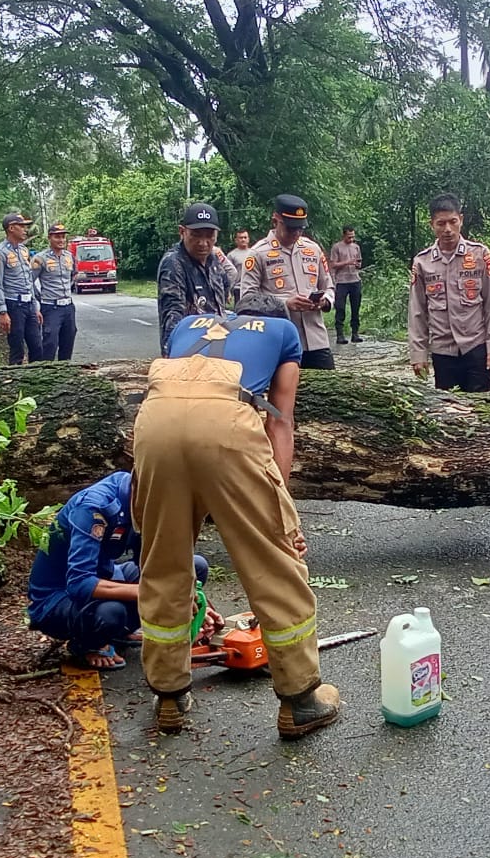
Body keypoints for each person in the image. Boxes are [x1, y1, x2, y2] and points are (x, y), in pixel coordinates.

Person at [132, 292, 340, 738]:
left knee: (165, 559)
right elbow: (279, 419)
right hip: (226, 424)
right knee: (273, 563)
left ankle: (168, 694)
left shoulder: (188, 324)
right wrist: (281, 507)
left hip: (154, 423)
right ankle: (300, 700)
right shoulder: (285, 332)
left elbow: (186, 397)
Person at [28, 470, 211, 672]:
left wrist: (199, 603)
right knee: (111, 613)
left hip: (108, 575)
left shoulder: (145, 504)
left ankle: (119, 632)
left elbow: (151, 565)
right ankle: (85, 645)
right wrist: (153, 592)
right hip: (57, 599)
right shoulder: (92, 508)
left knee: (192, 568)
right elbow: (79, 583)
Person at [407, 193, 490, 392]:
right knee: (448, 411)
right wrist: (419, 354)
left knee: (482, 411)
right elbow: (417, 311)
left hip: (477, 349)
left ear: (461, 219)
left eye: (453, 222)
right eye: (441, 224)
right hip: (443, 352)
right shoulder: (422, 262)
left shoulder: (480, 255)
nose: (448, 230)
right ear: (431, 225)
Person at [238, 194, 335, 370]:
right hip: (279, 343)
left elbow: (328, 286)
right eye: (291, 229)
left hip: (317, 341)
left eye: (300, 229)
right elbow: (247, 300)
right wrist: (284, 304)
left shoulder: (312, 250)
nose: (296, 234)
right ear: (276, 220)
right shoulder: (258, 254)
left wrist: (324, 300)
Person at [156, 203, 234, 356]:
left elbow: (224, 292)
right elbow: (172, 318)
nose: (203, 243)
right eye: (196, 235)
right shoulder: (174, 263)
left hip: (219, 348)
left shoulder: (214, 260)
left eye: (209, 236)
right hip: (189, 351)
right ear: (182, 232)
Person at [0, 212, 44, 365]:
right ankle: (15, 382)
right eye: (22, 226)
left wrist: (35, 306)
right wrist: (2, 312)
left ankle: (37, 381)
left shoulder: (23, 250)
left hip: (29, 305)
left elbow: (28, 281)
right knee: (17, 348)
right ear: (11, 228)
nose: (25, 229)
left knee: (36, 346)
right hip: (14, 305)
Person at [32, 222, 77, 361]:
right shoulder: (40, 259)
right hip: (51, 307)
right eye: (57, 237)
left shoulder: (69, 256)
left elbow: (73, 274)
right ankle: (47, 373)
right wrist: (37, 302)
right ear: (49, 238)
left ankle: (65, 373)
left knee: (68, 340)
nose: (61, 240)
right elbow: (28, 281)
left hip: (68, 307)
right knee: (50, 343)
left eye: (63, 237)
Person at [329, 226, 364, 345]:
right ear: (344, 235)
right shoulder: (337, 247)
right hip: (341, 281)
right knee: (340, 308)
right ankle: (340, 334)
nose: (351, 239)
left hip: (355, 279)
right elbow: (333, 264)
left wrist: (358, 265)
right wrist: (347, 262)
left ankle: (355, 333)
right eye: (349, 237)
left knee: (356, 308)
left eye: (353, 237)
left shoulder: (356, 247)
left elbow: (359, 261)